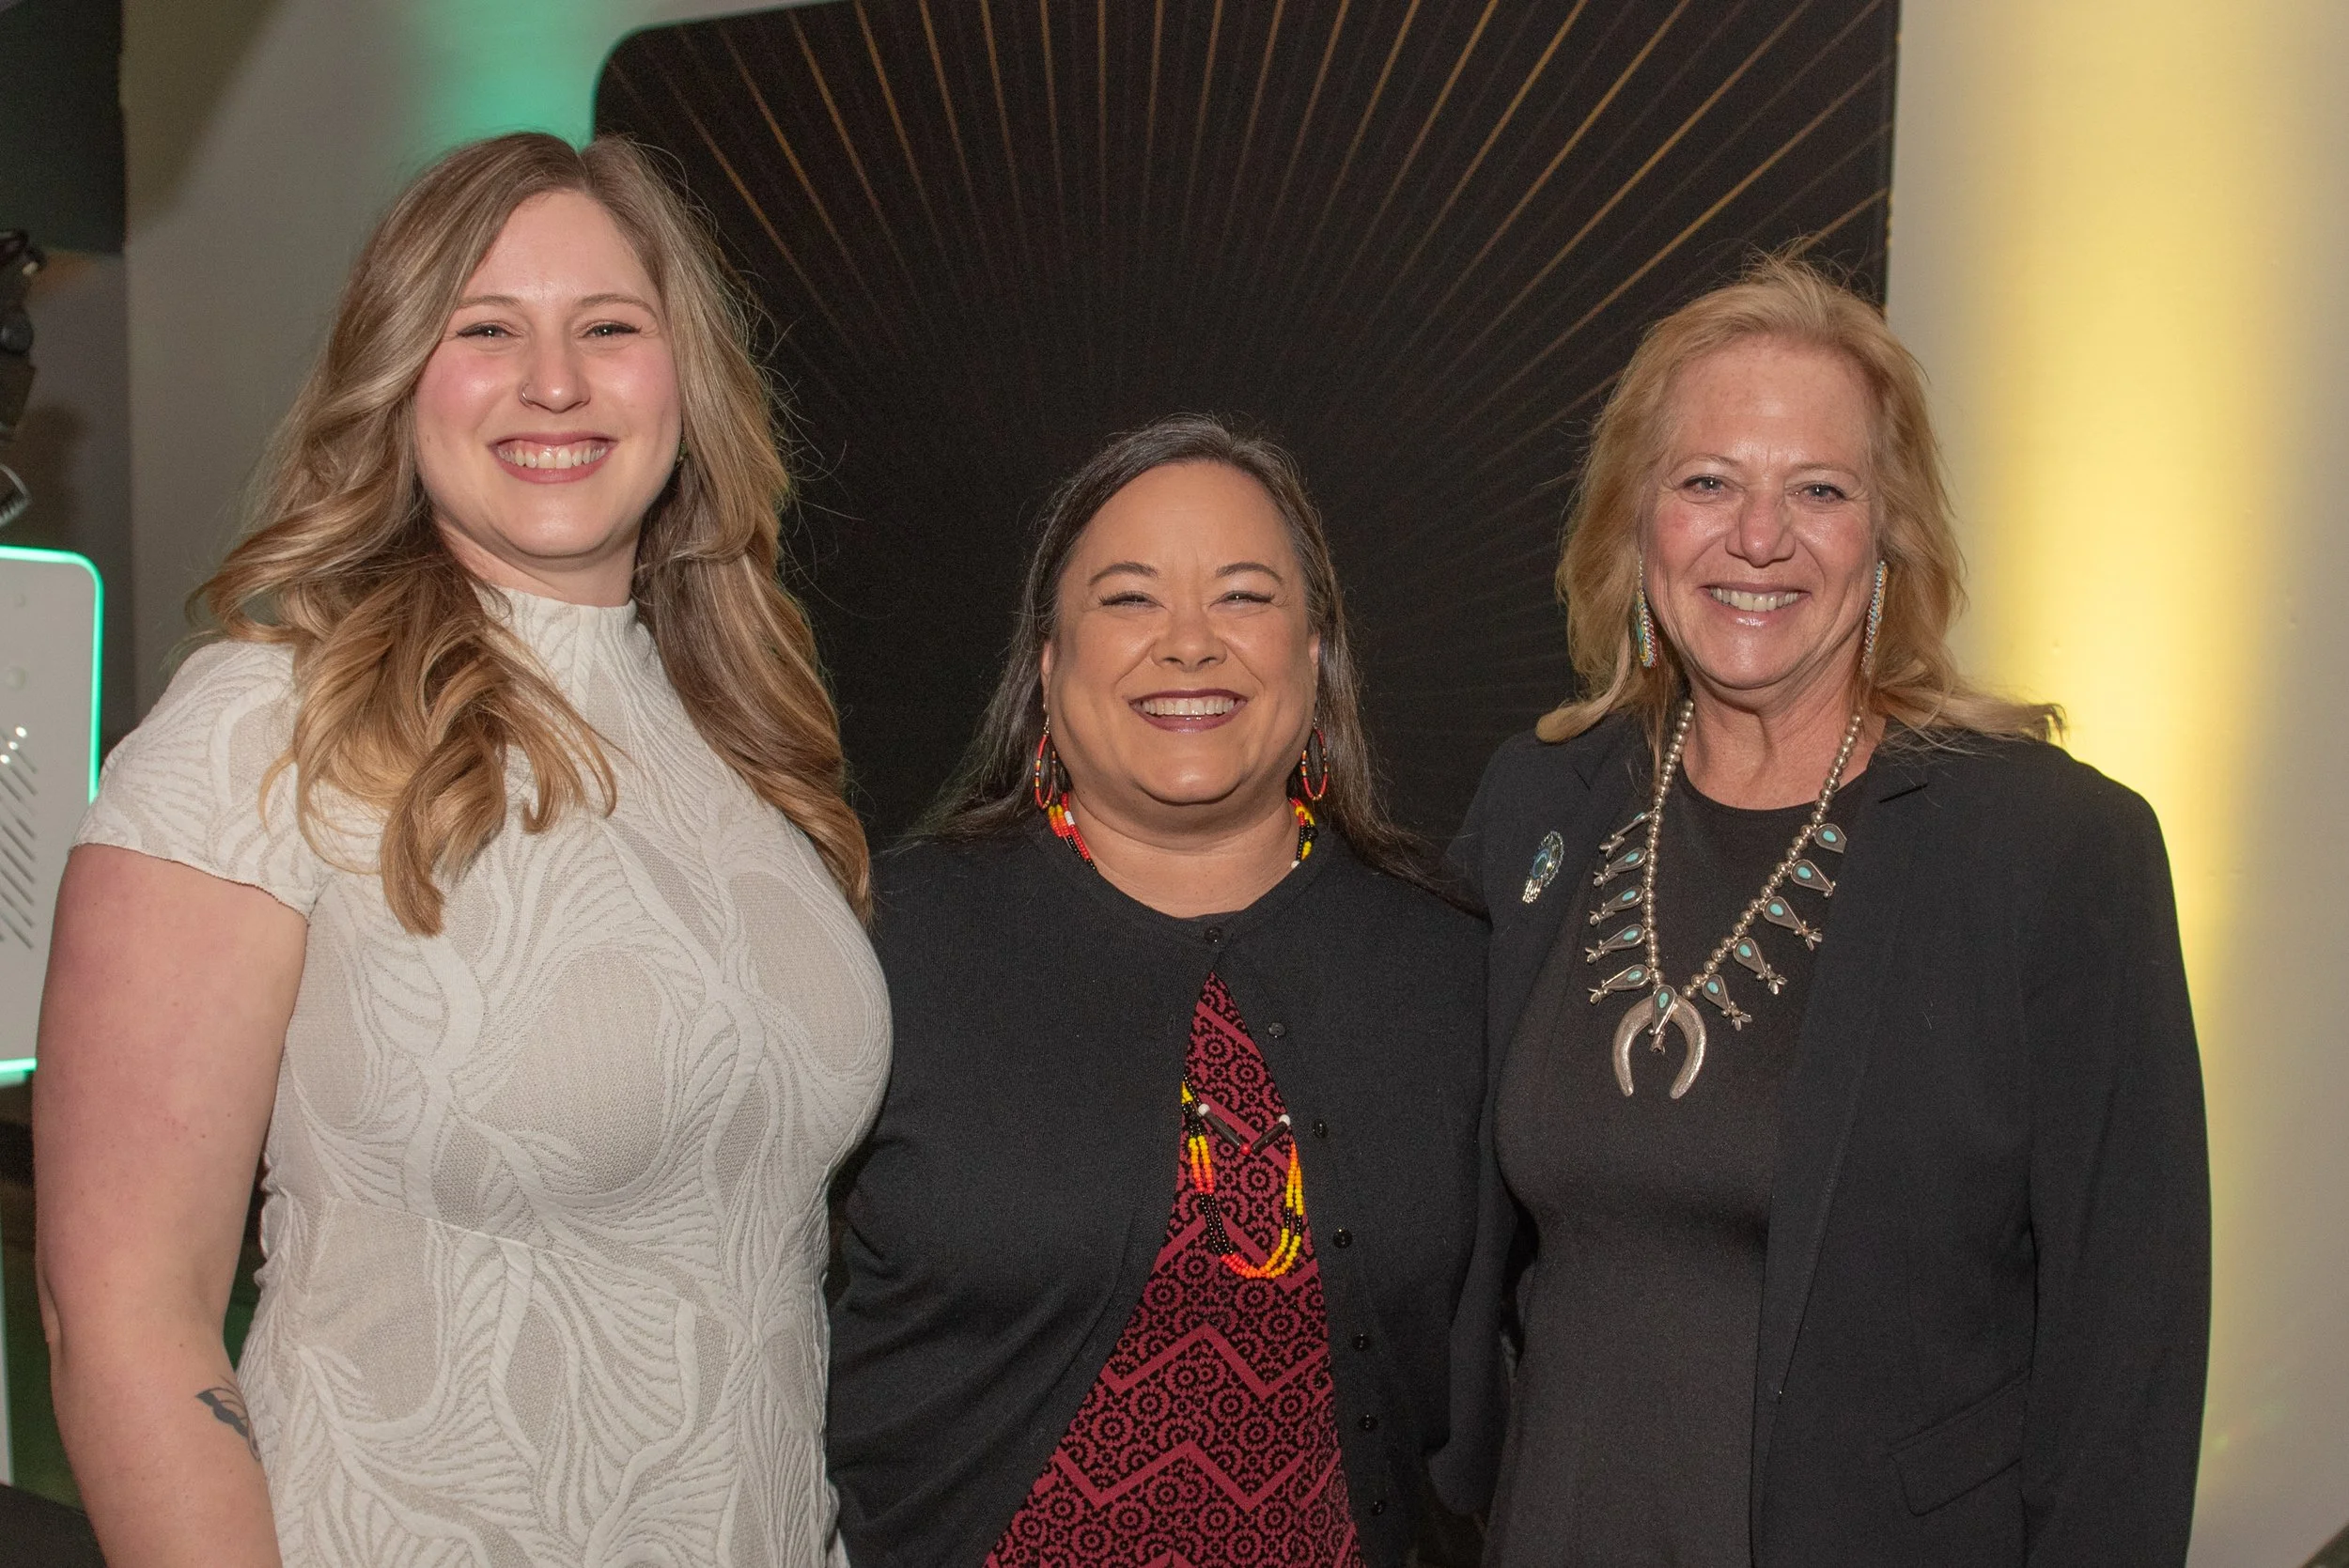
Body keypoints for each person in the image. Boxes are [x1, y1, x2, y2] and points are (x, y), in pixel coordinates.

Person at [34, 133, 887, 1568]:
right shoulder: (265, 724)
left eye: (608, 328)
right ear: (397, 376)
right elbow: (122, 1314)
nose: (554, 381)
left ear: (684, 378)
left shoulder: (743, 739)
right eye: (484, 329)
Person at [1450, 255, 2210, 1567]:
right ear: (1636, 522)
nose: (1759, 537)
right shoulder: (1539, 805)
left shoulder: (2049, 851)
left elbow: (2127, 1352)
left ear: (1888, 536)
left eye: (1819, 489)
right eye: (1707, 482)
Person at [825, 415, 1499, 1568]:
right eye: (1129, 599)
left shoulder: (1451, 961)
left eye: (1243, 596)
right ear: (1048, 665)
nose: (1189, 644)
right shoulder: (882, 944)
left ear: (1316, 654)